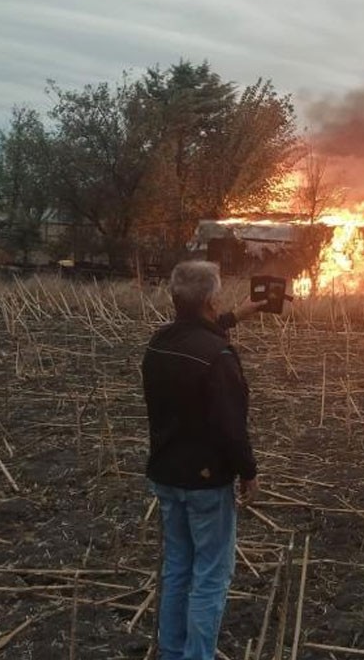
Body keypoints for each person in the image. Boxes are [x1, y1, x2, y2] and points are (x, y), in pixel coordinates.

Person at [142, 261, 263, 660]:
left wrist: (236, 316)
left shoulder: (159, 343)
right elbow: (231, 428)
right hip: (205, 483)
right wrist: (248, 471)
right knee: (211, 576)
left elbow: (194, 337)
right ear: (211, 299)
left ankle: (173, 652)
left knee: (177, 568)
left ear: (175, 298)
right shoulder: (218, 357)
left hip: (166, 474)